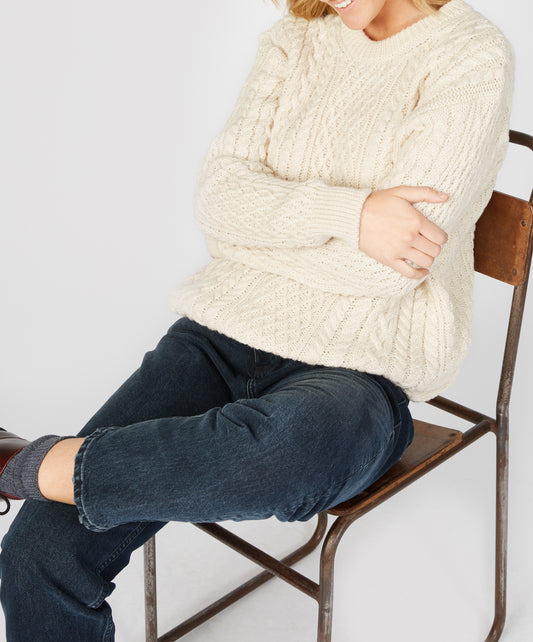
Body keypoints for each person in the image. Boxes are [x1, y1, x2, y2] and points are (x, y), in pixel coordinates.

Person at [0, 0, 514, 639]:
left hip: (357, 370)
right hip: (219, 337)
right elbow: (219, 202)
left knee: (287, 455)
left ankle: (27, 464)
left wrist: (259, 236)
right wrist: (350, 215)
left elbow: (390, 269)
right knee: (36, 556)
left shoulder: (469, 54)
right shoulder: (294, 39)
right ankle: (45, 467)